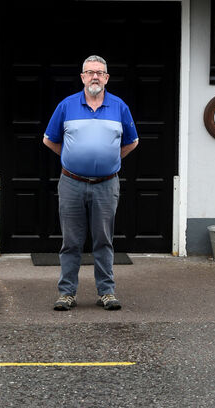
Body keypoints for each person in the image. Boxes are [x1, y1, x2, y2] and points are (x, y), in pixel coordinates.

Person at [43, 55, 139, 311]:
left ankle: (106, 292)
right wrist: (71, 157)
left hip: (106, 185)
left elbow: (132, 142)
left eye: (99, 72)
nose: (94, 76)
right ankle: (67, 293)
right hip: (72, 183)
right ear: (82, 77)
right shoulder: (66, 105)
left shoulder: (119, 107)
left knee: (103, 240)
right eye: (89, 72)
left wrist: (109, 159)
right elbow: (49, 140)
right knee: (71, 242)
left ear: (106, 78)